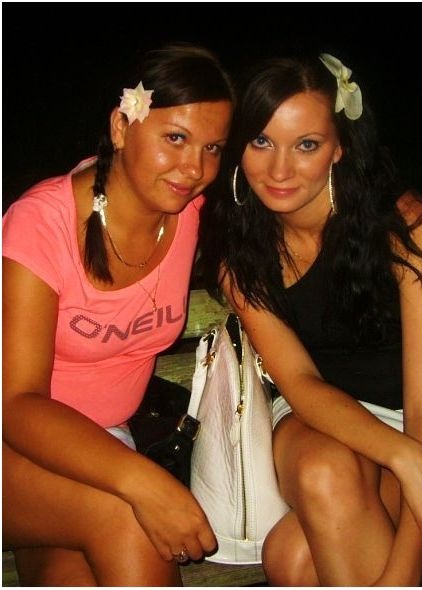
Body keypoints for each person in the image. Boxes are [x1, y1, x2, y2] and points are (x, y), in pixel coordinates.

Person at [199, 53, 422, 586]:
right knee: (324, 471)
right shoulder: (239, 250)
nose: (279, 170)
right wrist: (405, 462)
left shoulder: (401, 228)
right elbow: (300, 382)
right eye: (261, 142)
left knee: (293, 558)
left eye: (306, 145)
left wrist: (405, 567)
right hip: (317, 417)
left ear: (339, 146)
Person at [3, 42, 233, 586]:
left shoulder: (191, 212)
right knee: (133, 519)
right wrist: (145, 481)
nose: (194, 168)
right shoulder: (42, 225)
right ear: (122, 127)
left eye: (213, 148)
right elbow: (15, 403)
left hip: (99, 448)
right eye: (175, 138)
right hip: (13, 444)